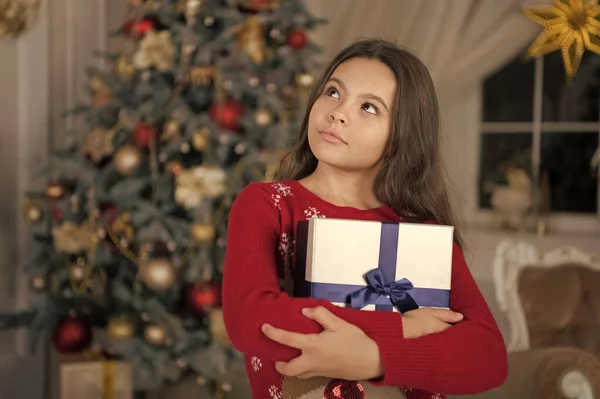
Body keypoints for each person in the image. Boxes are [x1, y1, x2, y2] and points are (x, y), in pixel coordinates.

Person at [222, 38, 507, 399]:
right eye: (333, 92)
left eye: (369, 107)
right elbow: (251, 320)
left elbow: (488, 356)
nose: (338, 112)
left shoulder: (422, 232)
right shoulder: (268, 205)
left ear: (398, 139)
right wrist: (401, 328)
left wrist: (373, 358)